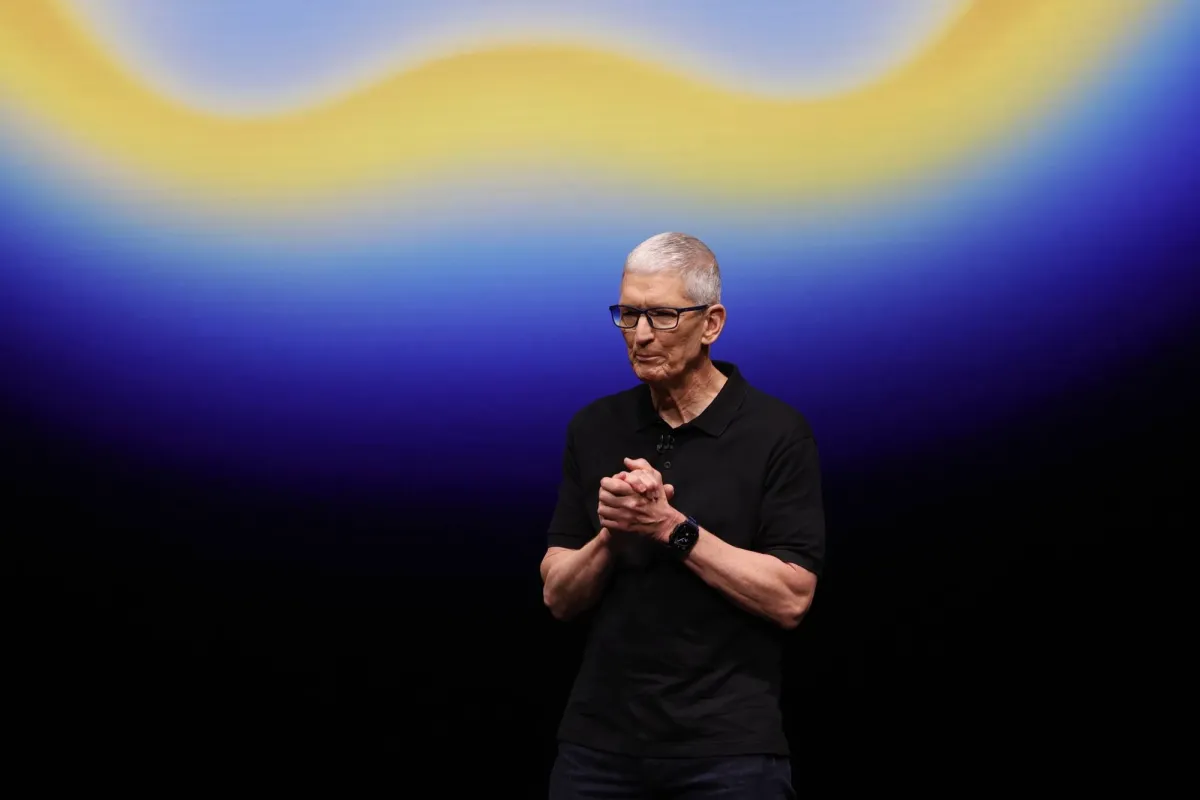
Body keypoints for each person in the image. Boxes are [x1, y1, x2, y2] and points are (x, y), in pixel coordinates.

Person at [540, 232, 826, 799]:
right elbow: (557, 596)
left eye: (664, 315)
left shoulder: (777, 433)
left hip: (727, 753)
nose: (641, 334)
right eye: (629, 314)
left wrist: (669, 526)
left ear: (711, 323)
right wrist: (615, 533)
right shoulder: (594, 427)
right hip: (598, 749)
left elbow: (791, 598)